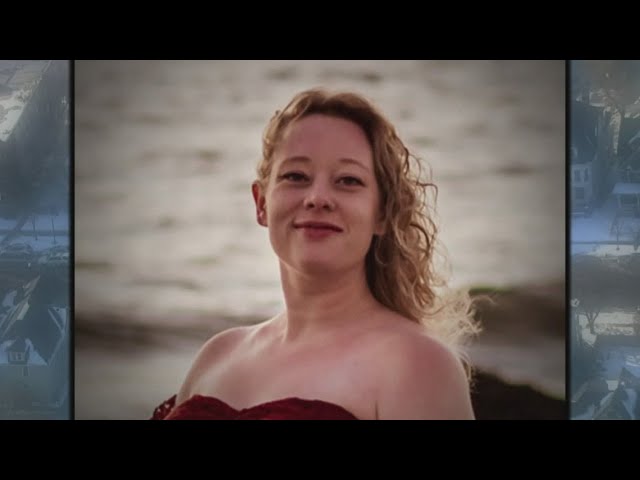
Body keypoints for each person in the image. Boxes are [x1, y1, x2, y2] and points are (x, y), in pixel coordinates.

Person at [152, 88, 479, 420]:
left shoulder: (417, 364)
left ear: (382, 213)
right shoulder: (217, 355)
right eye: (296, 176)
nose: (317, 198)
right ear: (261, 203)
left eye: (348, 180)